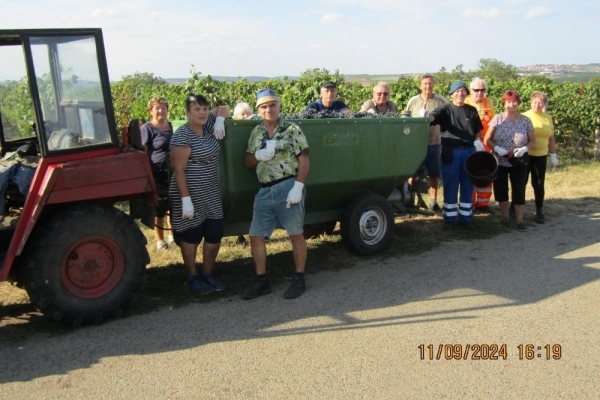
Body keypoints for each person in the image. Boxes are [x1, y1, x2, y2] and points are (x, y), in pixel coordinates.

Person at [241, 89, 310, 300]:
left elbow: (304, 158)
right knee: (256, 235)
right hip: (264, 190)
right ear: (259, 110)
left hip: (287, 186)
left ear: (279, 107)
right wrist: (258, 156)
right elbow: (247, 161)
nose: (268, 109)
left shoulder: (292, 129)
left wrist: (298, 186)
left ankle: (299, 278)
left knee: (295, 233)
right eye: (264, 106)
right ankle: (261, 280)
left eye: (272, 105)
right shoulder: (256, 133)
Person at [169, 94, 229, 294]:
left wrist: (220, 118)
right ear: (187, 113)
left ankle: (208, 273)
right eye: (197, 109)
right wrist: (186, 200)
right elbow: (178, 170)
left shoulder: (209, 123)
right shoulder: (182, 136)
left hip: (210, 191)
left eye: (204, 108)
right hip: (189, 194)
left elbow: (223, 107)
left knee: (215, 232)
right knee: (192, 236)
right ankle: (192, 276)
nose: (202, 112)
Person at [429, 80, 484, 230]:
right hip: (450, 153)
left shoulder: (472, 110)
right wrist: (426, 115)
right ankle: (449, 219)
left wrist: (479, 144)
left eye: (463, 91)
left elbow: (478, 131)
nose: (460, 93)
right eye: (457, 91)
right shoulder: (445, 109)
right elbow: (432, 118)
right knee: (450, 185)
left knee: (467, 184)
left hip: (468, 152)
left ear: (466, 93)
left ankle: (466, 219)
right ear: (452, 94)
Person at [484, 90, 535, 232]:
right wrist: (497, 148)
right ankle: (505, 217)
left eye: (514, 101)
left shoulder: (525, 120)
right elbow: (487, 139)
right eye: (508, 101)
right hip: (500, 160)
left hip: (519, 161)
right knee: (501, 189)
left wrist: (524, 149)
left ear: (518, 103)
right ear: (504, 103)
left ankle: (519, 220)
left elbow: (533, 141)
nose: (511, 104)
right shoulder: (497, 119)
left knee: (519, 189)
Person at [406, 74, 449, 211]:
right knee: (413, 173)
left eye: (430, 83)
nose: (427, 86)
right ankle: (411, 199)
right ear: (420, 85)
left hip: (434, 142)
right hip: (416, 144)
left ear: (433, 85)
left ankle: (433, 202)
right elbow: (407, 120)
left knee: (434, 174)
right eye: (425, 83)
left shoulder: (441, 101)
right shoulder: (413, 101)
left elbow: (448, 118)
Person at [140, 96, 174, 250]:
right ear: (150, 111)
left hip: (172, 172)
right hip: (156, 173)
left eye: (164, 108)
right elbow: (142, 151)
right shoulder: (147, 128)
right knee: (159, 208)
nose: (161, 111)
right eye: (157, 108)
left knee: (173, 206)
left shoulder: (172, 127)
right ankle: (160, 240)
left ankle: (172, 236)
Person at [523, 91, 558, 224]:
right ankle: (514, 207)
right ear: (531, 102)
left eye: (541, 102)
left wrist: (553, 155)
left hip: (541, 156)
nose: (538, 105)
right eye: (535, 102)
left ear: (544, 104)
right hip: (525, 155)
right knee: (521, 182)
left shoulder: (547, 117)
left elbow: (551, 138)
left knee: (538, 184)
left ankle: (539, 211)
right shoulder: (524, 116)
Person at [465, 77, 496, 212]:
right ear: (470, 91)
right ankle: (469, 202)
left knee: (486, 174)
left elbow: (493, 123)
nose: (479, 93)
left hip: (486, 145)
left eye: (482, 90)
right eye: (476, 90)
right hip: (470, 144)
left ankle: (483, 204)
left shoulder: (489, 103)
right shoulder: (464, 102)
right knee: (470, 173)